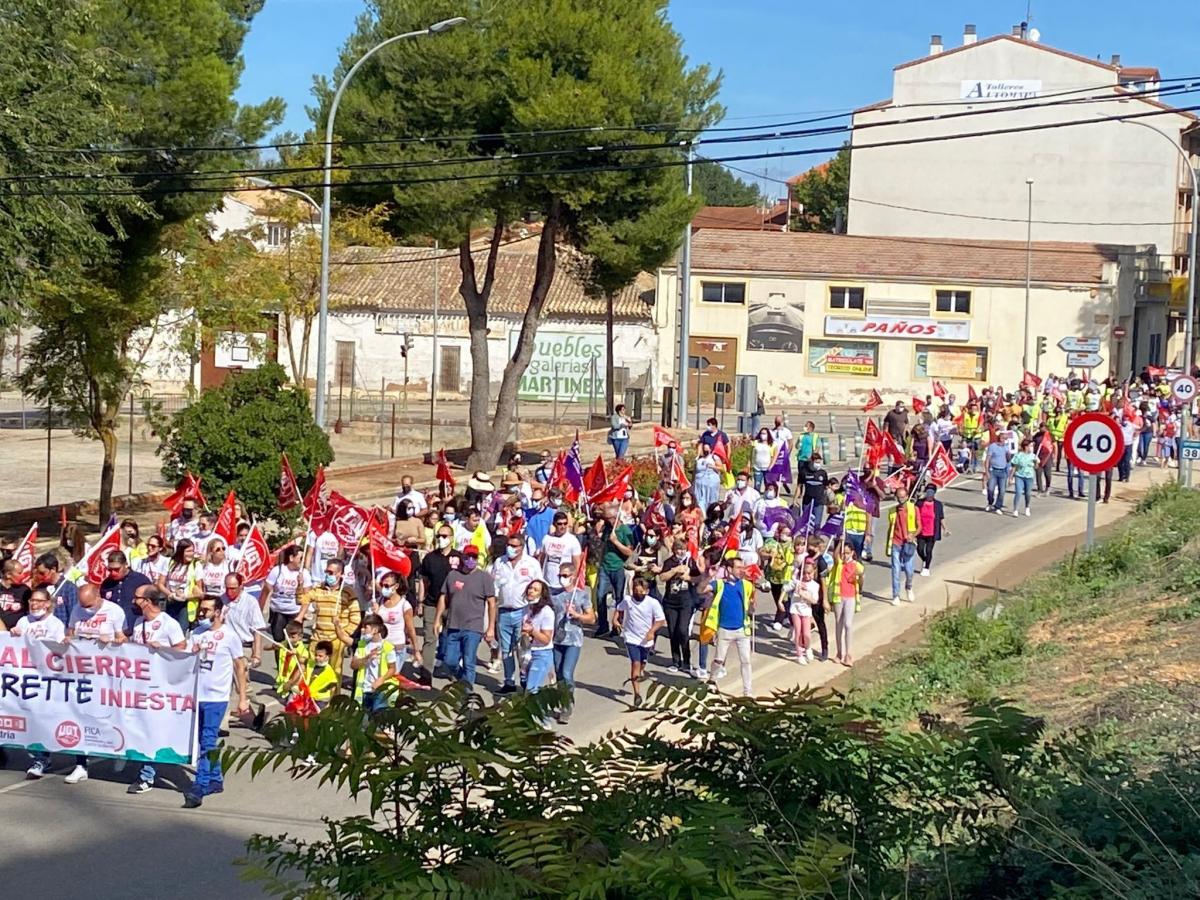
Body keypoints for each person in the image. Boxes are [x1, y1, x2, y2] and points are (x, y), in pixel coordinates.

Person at [182, 595, 249, 808]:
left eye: (207, 610)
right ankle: (216, 778)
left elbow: (240, 666)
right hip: (196, 695)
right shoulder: (196, 633)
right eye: (201, 609)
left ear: (218, 612)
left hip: (216, 697)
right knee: (201, 740)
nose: (202, 613)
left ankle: (200, 785)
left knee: (208, 738)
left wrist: (243, 698)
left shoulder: (229, 636)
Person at [61, 584, 126, 785]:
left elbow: (124, 639)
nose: (86, 609)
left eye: (90, 605)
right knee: (79, 713)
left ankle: (118, 751)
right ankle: (81, 764)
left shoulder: (114, 611)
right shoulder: (77, 609)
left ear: (98, 596)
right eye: (83, 605)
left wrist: (112, 640)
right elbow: (70, 632)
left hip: (107, 672)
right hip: (82, 671)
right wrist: (68, 639)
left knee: (108, 713)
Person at [125, 585, 188, 794]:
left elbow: (182, 649)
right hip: (138, 684)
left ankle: (147, 776)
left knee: (151, 729)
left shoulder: (169, 624)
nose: (133, 602)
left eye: (137, 598)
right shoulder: (138, 622)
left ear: (148, 601)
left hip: (159, 687)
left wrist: (162, 649)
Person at [13, 589, 66, 779]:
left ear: (47, 603)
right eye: (31, 601)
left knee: (43, 719)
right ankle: (39, 755)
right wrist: (14, 635)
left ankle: (42, 758)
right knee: (28, 719)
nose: (34, 604)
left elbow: (60, 650)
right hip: (25, 679)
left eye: (38, 601)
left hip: (46, 679)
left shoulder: (55, 624)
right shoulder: (23, 621)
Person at [435, 545, 496, 687]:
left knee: (469, 661)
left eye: (473, 557)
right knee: (449, 661)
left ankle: (468, 695)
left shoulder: (484, 578)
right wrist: (437, 619)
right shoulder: (453, 575)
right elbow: (443, 597)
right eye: (468, 556)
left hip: (473, 627)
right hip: (453, 625)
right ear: (462, 557)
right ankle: (462, 679)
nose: (470, 560)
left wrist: (491, 627)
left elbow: (492, 603)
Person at [491, 534, 545, 693]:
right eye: (509, 545)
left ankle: (525, 679)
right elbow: (494, 588)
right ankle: (509, 682)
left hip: (523, 611)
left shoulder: (531, 563)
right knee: (506, 650)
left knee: (523, 649)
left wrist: (535, 612)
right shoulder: (500, 562)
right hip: (504, 611)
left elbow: (539, 586)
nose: (511, 549)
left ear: (522, 547)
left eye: (515, 546)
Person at [550, 559, 595, 724]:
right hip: (557, 639)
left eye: (565, 575)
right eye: (560, 575)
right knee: (559, 673)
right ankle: (562, 699)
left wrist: (577, 615)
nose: (562, 578)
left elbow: (591, 618)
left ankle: (566, 706)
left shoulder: (582, 595)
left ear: (573, 576)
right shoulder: (554, 595)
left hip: (573, 640)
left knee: (567, 672)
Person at [613, 576, 666, 708]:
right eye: (635, 591)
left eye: (641, 592)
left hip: (646, 640)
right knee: (635, 663)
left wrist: (651, 631)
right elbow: (619, 608)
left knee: (642, 662)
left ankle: (641, 669)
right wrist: (615, 620)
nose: (638, 594)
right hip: (631, 637)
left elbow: (660, 620)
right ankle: (637, 694)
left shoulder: (653, 603)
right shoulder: (628, 600)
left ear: (647, 591)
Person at [417, 524, 462, 679]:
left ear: (451, 538)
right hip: (431, 603)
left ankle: (452, 670)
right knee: (430, 639)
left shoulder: (459, 557)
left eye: (444, 536)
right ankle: (426, 674)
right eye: (439, 536)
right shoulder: (430, 558)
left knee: (452, 640)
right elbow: (423, 580)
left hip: (453, 605)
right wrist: (420, 602)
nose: (441, 539)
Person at [657, 535, 701, 675]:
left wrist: (688, 577)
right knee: (672, 631)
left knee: (682, 630)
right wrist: (675, 570)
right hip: (671, 601)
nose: (680, 552)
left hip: (686, 601)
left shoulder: (690, 561)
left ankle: (687, 660)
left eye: (683, 549)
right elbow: (662, 577)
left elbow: (699, 577)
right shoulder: (670, 562)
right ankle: (676, 660)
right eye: (678, 549)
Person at [338, 613, 397, 715]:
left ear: (375, 629)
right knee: (364, 721)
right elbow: (353, 665)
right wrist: (366, 658)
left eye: (366, 627)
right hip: (364, 690)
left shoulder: (387, 647)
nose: (362, 630)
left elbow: (392, 668)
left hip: (380, 690)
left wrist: (381, 680)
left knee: (379, 720)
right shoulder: (362, 645)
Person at [309, 559, 362, 672]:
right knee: (311, 670)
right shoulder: (319, 588)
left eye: (331, 573)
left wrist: (344, 634)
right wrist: (300, 585)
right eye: (326, 572)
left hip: (336, 640)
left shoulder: (348, 592)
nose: (328, 575)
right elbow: (301, 600)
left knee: (334, 672)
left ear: (340, 574)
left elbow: (356, 617)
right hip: (317, 638)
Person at [260, 545, 313, 646]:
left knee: (293, 642)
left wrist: (300, 617)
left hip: (295, 613)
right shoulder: (277, 571)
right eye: (300, 558)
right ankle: (279, 660)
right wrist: (259, 612)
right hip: (278, 611)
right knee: (279, 641)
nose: (302, 561)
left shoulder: (304, 573)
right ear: (291, 558)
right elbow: (265, 592)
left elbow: (307, 597)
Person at [594, 503, 633, 638]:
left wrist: (616, 542)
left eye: (608, 518)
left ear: (614, 516)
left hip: (619, 567)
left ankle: (617, 625)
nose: (606, 520)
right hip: (605, 566)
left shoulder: (625, 531)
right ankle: (603, 625)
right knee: (600, 596)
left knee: (619, 598)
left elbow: (629, 551)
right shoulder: (607, 528)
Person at [373, 571, 418, 677]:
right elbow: (373, 624)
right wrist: (375, 613)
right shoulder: (380, 602)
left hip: (396, 648)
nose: (383, 588)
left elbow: (411, 629)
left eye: (387, 585)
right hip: (381, 646)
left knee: (390, 680)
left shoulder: (405, 605)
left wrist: (416, 650)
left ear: (396, 586)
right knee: (378, 678)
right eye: (382, 585)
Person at [520, 581, 556, 708]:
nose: (531, 591)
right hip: (527, 652)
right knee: (527, 687)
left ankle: (542, 721)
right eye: (530, 588)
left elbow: (546, 639)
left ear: (542, 594)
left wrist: (532, 631)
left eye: (535, 590)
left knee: (532, 689)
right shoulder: (526, 609)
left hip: (542, 654)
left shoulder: (547, 612)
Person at [886, 486, 918, 606]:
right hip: (896, 543)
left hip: (908, 543)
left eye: (903, 497)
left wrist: (913, 534)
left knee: (909, 570)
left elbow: (919, 526)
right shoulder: (892, 511)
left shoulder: (913, 509)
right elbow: (891, 528)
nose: (900, 500)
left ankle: (908, 587)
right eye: (898, 497)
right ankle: (896, 595)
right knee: (896, 569)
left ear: (907, 496)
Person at [787, 559, 819, 665]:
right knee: (798, 631)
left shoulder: (815, 585)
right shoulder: (797, 582)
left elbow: (814, 600)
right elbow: (786, 587)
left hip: (806, 611)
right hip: (795, 609)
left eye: (809, 573)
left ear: (814, 572)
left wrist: (804, 594)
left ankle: (807, 647)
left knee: (806, 633)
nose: (806, 576)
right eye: (804, 573)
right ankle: (799, 654)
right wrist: (795, 586)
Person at [914, 486, 947, 577]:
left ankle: (926, 567)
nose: (929, 494)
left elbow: (941, 518)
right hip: (921, 531)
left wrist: (945, 529)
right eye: (928, 492)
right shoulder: (919, 503)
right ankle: (925, 559)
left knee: (929, 550)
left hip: (932, 532)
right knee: (920, 549)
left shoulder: (938, 505)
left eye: (931, 492)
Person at [984, 432, 1012, 514]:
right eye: (1002, 438)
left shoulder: (1006, 447)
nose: (1003, 440)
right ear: (999, 438)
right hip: (993, 470)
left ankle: (998, 506)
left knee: (1002, 491)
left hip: (1003, 471)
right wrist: (987, 471)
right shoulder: (992, 446)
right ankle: (990, 502)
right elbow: (988, 459)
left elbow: (1008, 459)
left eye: (1005, 439)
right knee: (990, 489)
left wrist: (1008, 454)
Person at [0, 558, 31, 632]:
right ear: (8, 575)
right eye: (19, 573)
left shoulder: (25, 590)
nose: (23, 576)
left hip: (19, 632)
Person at [692, 442, 723, 512]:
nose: (705, 450)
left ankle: (711, 515)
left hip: (711, 484)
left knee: (711, 501)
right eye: (704, 448)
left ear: (710, 449)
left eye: (706, 448)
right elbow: (694, 471)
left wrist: (713, 466)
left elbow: (721, 468)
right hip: (699, 484)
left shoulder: (714, 457)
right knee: (699, 501)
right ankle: (702, 515)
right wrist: (692, 482)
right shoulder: (698, 459)